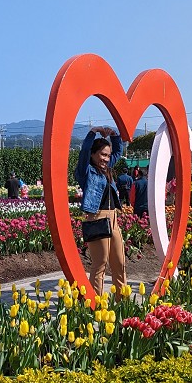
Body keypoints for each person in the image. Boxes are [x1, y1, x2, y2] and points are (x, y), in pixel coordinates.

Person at [74, 126, 127, 298]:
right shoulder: (86, 171)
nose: (106, 158)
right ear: (93, 154)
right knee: (100, 264)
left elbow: (118, 152)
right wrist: (92, 132)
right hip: (96, 217)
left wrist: (114, 135)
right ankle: (96, 305)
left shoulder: (107, 170)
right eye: (102, 154)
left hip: (113, 218)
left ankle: (122, 302)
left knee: (119, 262)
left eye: (107, 155)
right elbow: (84, 152)